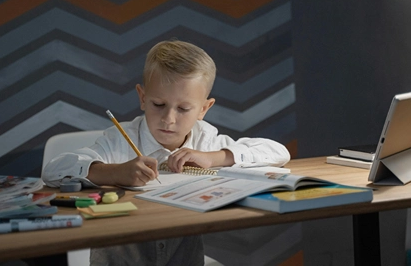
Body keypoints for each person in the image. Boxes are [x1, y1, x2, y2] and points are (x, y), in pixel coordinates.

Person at [43, 39, 290, 266]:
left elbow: (278, 152)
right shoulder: (118, 140)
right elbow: (53, 170)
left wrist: (214, 157)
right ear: (142, 97)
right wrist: (114, 173)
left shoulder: (206, 139)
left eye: (183, 108)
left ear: (204, 108)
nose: (169, 119)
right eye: (158, 105)